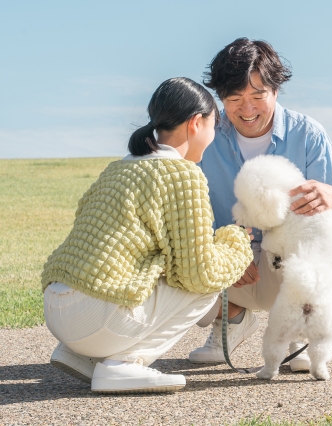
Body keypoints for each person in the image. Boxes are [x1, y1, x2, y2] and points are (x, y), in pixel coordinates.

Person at [41, 77, 253, 394]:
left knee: (166, 272)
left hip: (58, 313)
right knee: (204, 289)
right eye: (214, 125)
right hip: (96, 318)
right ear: (196, 123)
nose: (213, 136)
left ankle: (82, 355)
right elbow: (199, 273)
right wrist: (236, 242)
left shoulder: (119, 167)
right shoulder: (182, 174)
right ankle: (123, 365)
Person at [189, 38, 332, 371]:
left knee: (301, 260)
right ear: (220, 98)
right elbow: (189, 216)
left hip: (285, 263)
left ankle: (299, 327)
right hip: (229, 262)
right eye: (234, 98)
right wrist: (226, 255)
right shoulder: (205, 136)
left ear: (276, 91)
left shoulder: (308, 135)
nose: (247, 108)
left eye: (258, 96)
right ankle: (232, 318)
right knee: (169, 257)